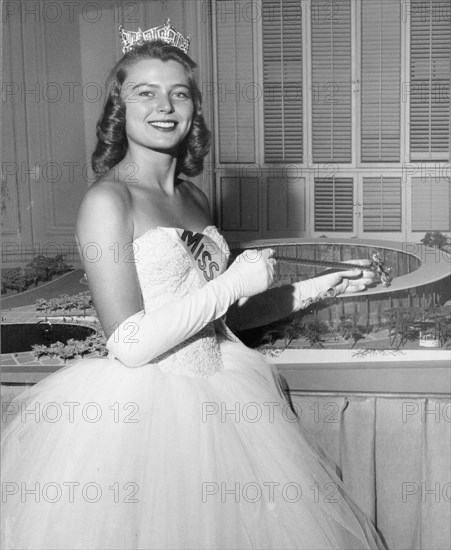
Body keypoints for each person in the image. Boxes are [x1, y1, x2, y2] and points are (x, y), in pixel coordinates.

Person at [1, 21, 387, 550]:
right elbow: (130, 345)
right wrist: (231, 284)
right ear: (120, 108)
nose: (164, 106)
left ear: (193, 109)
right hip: (146, 415)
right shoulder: (108, 202)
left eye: (178, 93)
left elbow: (219, 321)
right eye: (145, 92)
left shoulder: (194, 199)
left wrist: (326, 286)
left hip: (222, 390)